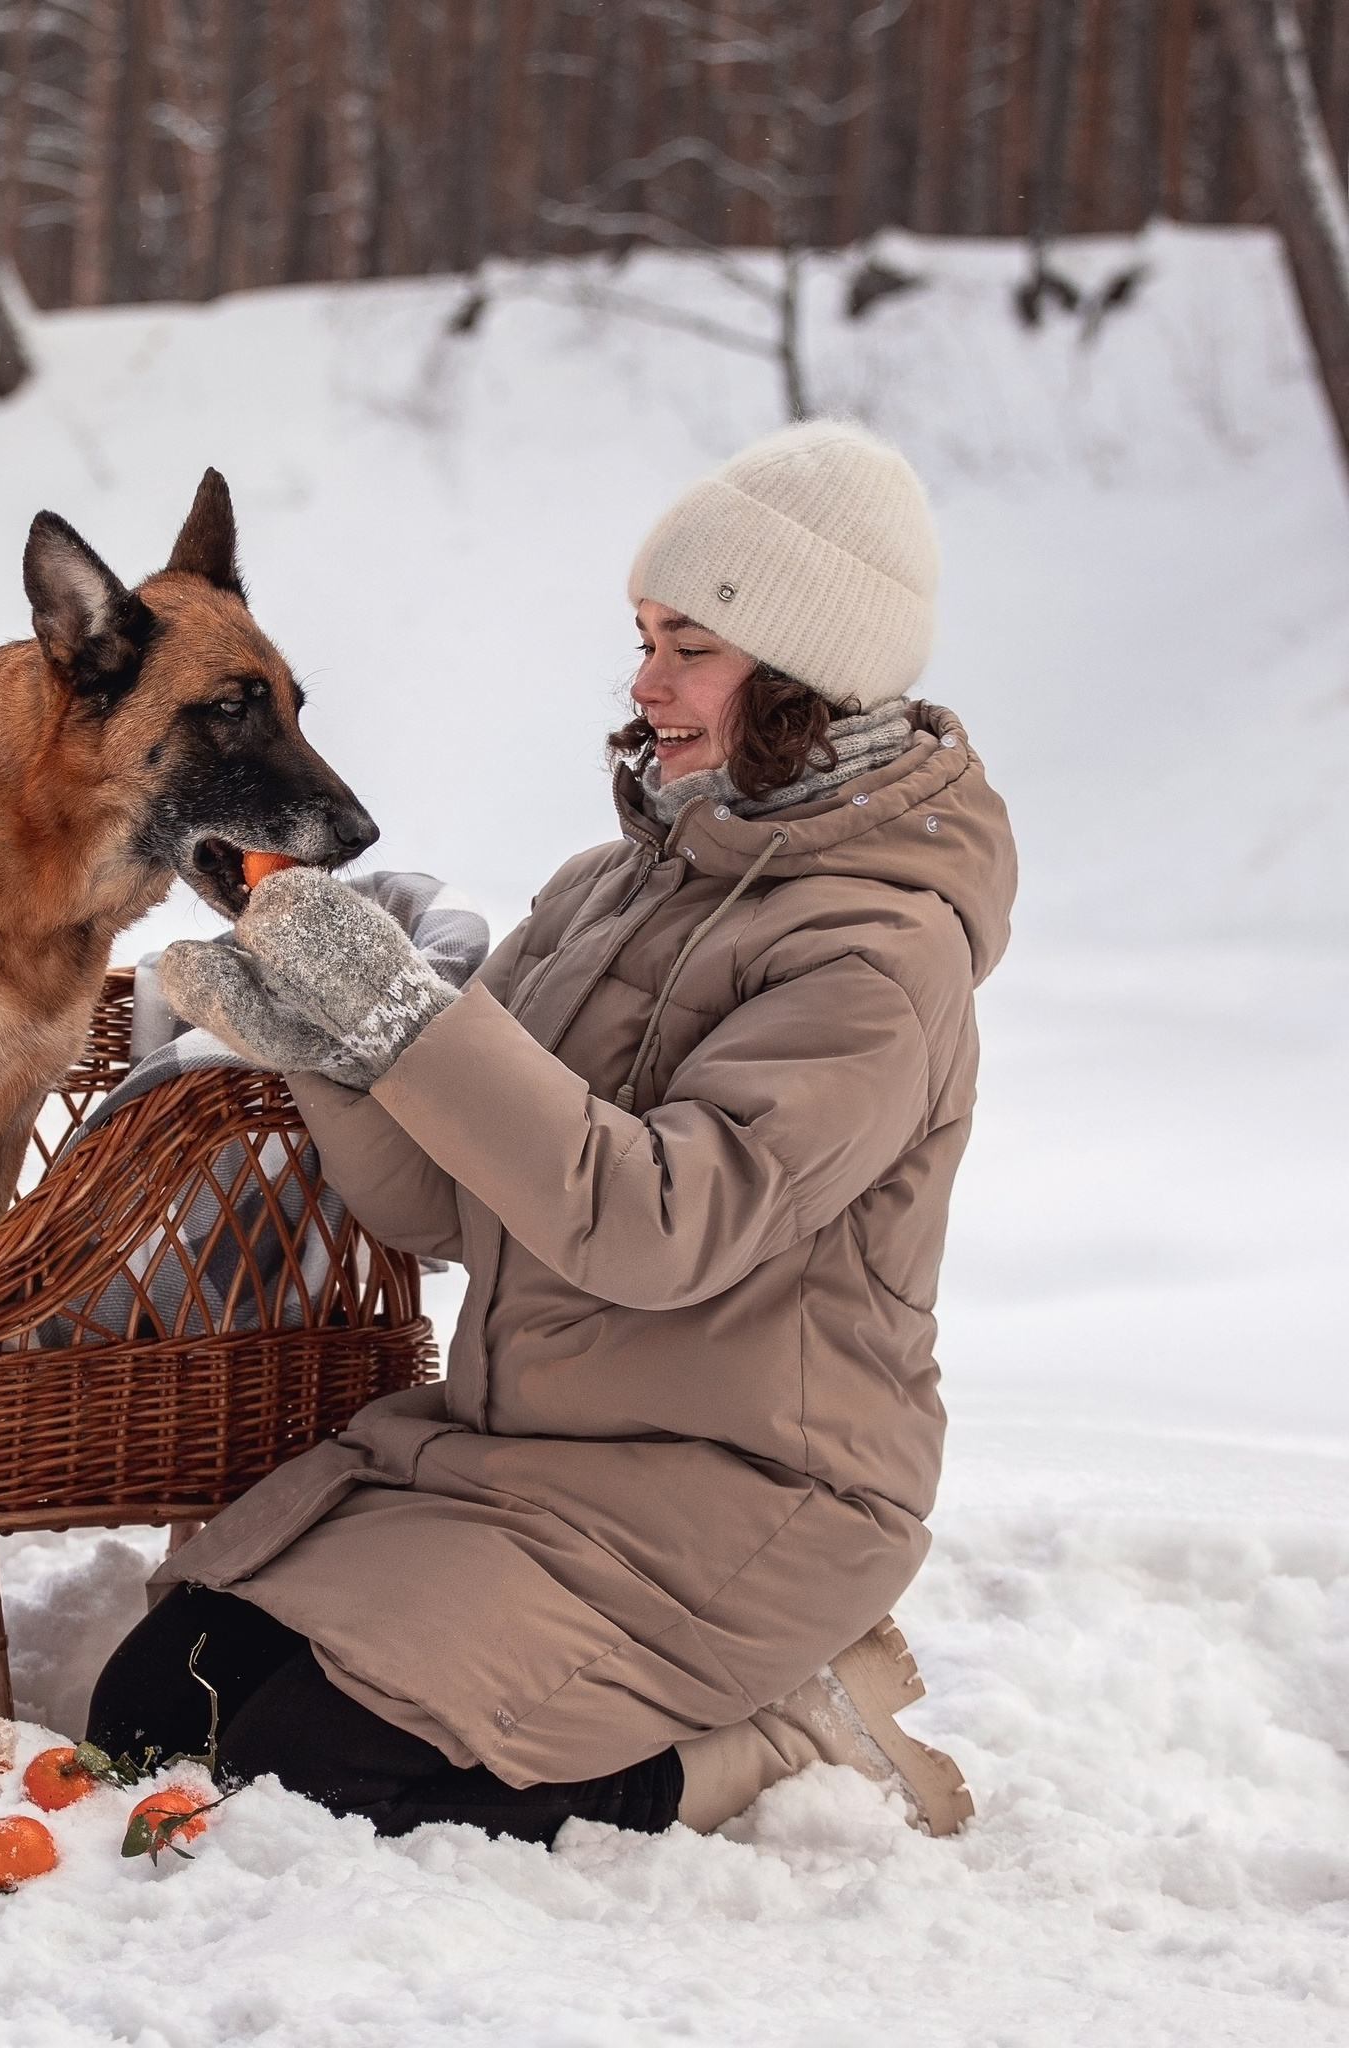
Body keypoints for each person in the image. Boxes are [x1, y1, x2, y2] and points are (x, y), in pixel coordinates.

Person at [85, 419, 1013, 1844]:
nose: (644, 686)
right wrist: (329, 1046)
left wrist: (408, 1020)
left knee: (321, 1777)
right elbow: (441, 1208)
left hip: (739, 1501)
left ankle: (771, 1737)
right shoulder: (606, 888)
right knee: (155, 1715)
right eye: (642, 636)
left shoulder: (880, 957)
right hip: (524, 1459)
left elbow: (654, 1229)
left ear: (806, 672)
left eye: (688, 645)